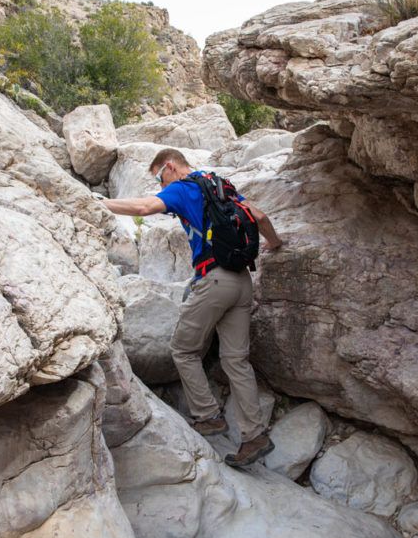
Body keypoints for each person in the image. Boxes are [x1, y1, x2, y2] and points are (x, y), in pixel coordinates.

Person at [102, 148, 284, 467]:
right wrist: (275, 245)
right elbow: (260, 217)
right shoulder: (220, 186)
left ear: (170, 167)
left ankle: (208, 416)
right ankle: (254, 436)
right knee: (236, 361)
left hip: (214, 281)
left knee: (184, 350)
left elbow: (145, 207)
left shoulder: (183, 187)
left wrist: (101, 203)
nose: (161, 187)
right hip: (242, 282)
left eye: (160, 178)